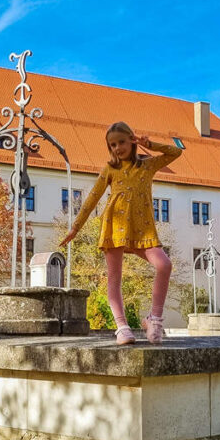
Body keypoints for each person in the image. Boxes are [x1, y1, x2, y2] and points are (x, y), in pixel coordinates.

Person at [61, 121, 182, 345]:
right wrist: (75, 228)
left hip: (143, 228)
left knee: (164, 265)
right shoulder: (110, 170)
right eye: (112, 145)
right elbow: (92, 199)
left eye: (122, 142)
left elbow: (176, 152)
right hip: (114, 227)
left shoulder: (146, 166)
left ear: (132, 140)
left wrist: (151, 144)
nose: (117, 148)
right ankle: (122, 327)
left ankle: (154, 319)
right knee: (114, 278)